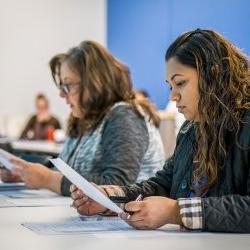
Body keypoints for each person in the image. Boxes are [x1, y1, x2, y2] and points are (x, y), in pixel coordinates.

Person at [70, 29, 250, 233]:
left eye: (180, 83)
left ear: (214, 74)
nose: (173, 96)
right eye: (170, 86)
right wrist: (109, 197)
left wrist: (175, 212)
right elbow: (163, 184)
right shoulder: (192, 129)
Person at [0, 40, 165, 196]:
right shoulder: (84, 119)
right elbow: (69, 170)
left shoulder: (124, 116)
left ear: (94, 82)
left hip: (123, 222)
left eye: (68, 85)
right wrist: (26, 173)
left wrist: (48, 179)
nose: (62, 94)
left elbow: (116, 185)